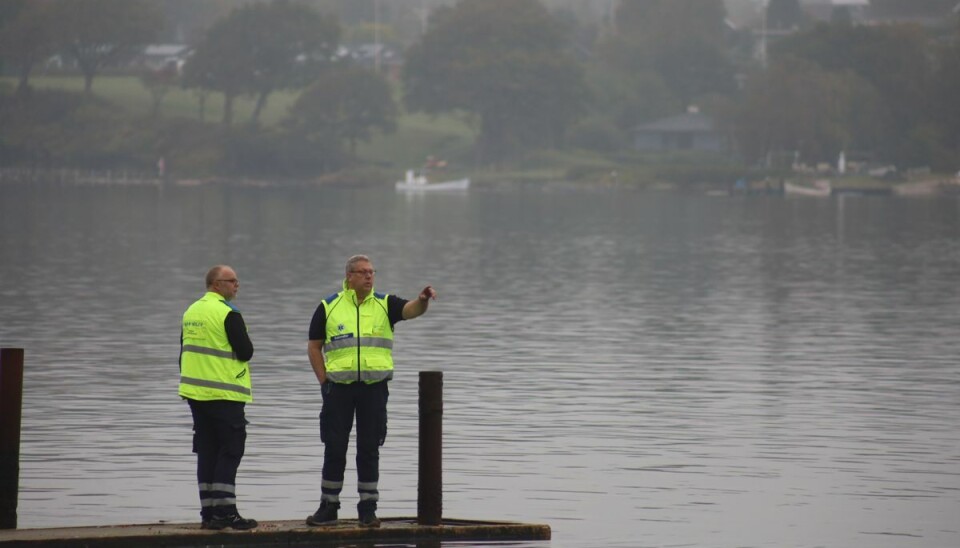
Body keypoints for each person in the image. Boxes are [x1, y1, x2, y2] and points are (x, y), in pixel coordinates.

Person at [306, 255, 436, 528]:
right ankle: (328, 507)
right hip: (338, 390)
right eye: (363, 272)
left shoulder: (385, 303)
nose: (369, 276)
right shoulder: (328, 306)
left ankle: (368, 509)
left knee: (369, 447)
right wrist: (323, 380)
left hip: (373, 389)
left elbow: (411, 310)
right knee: (334, 447)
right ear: (349, 276)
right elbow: (314, 345)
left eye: (372, 272)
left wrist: (422, 300)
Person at [179, 265, 258, 530]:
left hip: (195, 393)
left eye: (237, 280)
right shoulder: (227, 312)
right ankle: (226, 512)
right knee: (231, 449)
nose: (237, 285)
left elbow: (184, 350)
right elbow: (246, 351)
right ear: (215, 284)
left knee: (207, 450)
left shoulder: (191, 311)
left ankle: (209, 513)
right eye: (231, 280)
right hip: (224, 392)